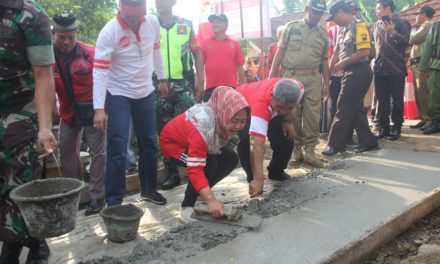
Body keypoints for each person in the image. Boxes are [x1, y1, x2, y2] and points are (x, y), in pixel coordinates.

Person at [93, 0, 168, 206]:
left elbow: (156, 50)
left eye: (138, 14)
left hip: (145, 91)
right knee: (117, 146)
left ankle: (149, 190)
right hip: (119, 93)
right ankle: (114, 200)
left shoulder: (152, 22)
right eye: (130, 15)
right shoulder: (109, 32)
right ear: (121, 9)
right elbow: (100, 70)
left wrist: (162, 78)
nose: (134, 19)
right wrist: (99, 108)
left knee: (149, 142)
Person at [0, 1, 57, 263]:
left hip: (20, 106)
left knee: (20, 175)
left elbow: (43, 74)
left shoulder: (30, 15)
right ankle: (15, 239)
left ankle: (33, 243)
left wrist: (44, 126)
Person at [160, 87, 249, 222]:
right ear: (225, 113)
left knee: (231, 158)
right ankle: (187, 206)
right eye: (235, 121)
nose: (238, 126)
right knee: (207, 164)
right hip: (174, 145)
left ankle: (202, 192)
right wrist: (211, 199)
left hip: (193, 141)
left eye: (243, 121)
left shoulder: (218, 115)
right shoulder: (203, 125)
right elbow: (195, 169)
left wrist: (208, 195)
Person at [52, 14, 106, 216]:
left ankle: (97, 197)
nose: (66, 42)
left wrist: (102, 109)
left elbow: (104, 80)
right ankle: (75, 192)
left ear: (76, 35)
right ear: (53, 35)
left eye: (70, 37)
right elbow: (44, 82)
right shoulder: (47, 56)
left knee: (98, 153)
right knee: (66, 151)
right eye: (61, 37)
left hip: (93, 110)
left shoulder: (90, 54)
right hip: (67, 111)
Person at [269, 0, 330, 168]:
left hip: (313, 77)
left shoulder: (323, 34)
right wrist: (272, 72)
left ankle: (310, 151)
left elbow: (325, 61)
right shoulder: (291, 27)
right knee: (293, 114)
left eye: (320, 14)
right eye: (314, 12)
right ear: (307, 9)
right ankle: (297, 150)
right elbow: (280, 50)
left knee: (312, 115)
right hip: (291, 77)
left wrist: (326, 82)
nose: (317, 16)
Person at [155, 0, 205, 190]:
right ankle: (172, 172)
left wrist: (201, 81)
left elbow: (197, 53)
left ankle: (195, 168)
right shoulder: (150, 25)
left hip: (184, 84)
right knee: (164, 130)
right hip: (159, 85)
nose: (160, 3)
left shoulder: (186, 24)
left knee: (191, 125)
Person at [322, 1, 378, 156]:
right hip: (349, 72)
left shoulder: (359, 26)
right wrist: (330, 69)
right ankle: (368, 142)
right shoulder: (342, 29)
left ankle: (335, 145)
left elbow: (365, 52)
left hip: (359, 71)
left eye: (333, 17)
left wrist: (342, 63)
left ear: (340, 12)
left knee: (343, 106)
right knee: (355, 108)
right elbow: (337, 51)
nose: (333, 21)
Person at [237, 79, 304, 197]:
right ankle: (253, 179)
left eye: (288, 108)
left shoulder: (298, 89)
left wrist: (287, 120)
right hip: (244, 104)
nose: (283, 111)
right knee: (245, 143)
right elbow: (257, 146)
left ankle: (276, 171)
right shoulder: (261, 105)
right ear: (272, 96)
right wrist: (259, 179)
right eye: (280, 107)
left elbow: (286, 107)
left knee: (286, 135)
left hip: (269, 106)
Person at [373, 0, 411, 141]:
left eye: (378, 8)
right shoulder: (376, 25)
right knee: (381, 100)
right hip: (379, 68)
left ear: (387, 8)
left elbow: (406, 42)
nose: (376, 11)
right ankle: (384, 128)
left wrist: (393, 32)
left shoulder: (402, 22)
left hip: (395, 69)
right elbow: (375, 46)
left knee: (396, 99)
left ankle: (396, 127)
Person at [201, 13, 246, 101]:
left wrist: (244, 86)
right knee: (210, 114)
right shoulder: (205, 43)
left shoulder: (234, 44)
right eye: (213, 22)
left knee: (230, 114)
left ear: (226, 25)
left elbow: (240, 67)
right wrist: (199, 84)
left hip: (230, 87)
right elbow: (199, 65)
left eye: (218, 22)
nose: (214, 24)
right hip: (211, 88)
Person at [409, 6, 435, 130]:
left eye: (417, 14)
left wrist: (414, 29)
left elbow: (413, 39)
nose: (416, 17)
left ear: (423, 14)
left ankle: (429, 120)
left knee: (424, 93)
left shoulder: (428, 24)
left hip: (423, 64)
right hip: (417, 64)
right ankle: (424, 118)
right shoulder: (424, 26)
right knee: (419, 93)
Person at [419, 21, 440, 135]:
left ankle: (436, 123)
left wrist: (423, 66)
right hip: (437, 66)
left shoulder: (437, 26)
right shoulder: (437, 26)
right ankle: (436, 122)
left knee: (435, 96)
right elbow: (428, 47)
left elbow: (428, 47)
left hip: (437, 67)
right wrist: (423, 66)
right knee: (435, 96)